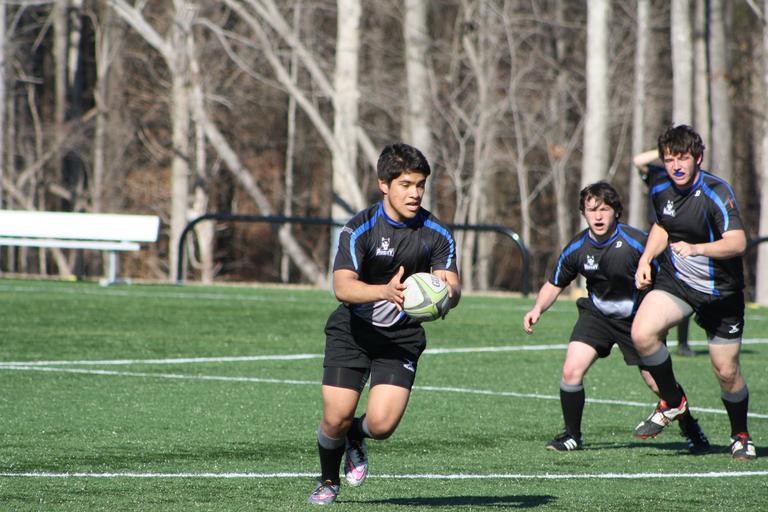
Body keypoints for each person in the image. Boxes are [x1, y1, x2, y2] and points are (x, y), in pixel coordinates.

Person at [307, 143, 462, 505]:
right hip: (353, 331)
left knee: (381, 426)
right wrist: (385, 291)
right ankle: (328, 480)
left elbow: (452, 285)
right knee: (335, 417)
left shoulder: (436, 233)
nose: (415, 193)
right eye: (406, 185)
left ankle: (356, 436)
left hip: (401, 337)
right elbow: (342, 286)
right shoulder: (359, 229)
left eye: (420, 185)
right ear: (383, 184)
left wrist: (445, 295)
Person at [522, 182, 708, 453]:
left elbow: (670, 276)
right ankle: (572, 435)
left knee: (658, 385)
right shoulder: (577, 247)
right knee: (571, 370)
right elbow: (555, 283)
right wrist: (537, 309)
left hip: (636, 320)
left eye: (604, 209)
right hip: (597, 315)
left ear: (616, 212)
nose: (598, 216)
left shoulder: (636, 243)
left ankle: (690, 426)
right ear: (583, 213)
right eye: (592, 210)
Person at [631, 125, 756, 460]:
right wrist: (645, 258)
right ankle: (672, 401)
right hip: (680, 283)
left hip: (721, 294)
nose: (676, 166)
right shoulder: (661, 187)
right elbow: (662, 225)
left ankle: (740, 435)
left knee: (726, 372)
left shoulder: (716, 191)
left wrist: (697, 248)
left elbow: (738, 242)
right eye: (669, 159)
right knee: (642, 333)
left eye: (683, 158)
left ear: (698, 158)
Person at [634, 150, 695, 357]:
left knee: (682, 287)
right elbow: (638, 160)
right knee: (648, 285)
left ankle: (683, 343)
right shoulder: (657, 174)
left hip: (677, 238)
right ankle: (648, 335)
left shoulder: (686, 179)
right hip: (654, 237)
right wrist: (662, 152)